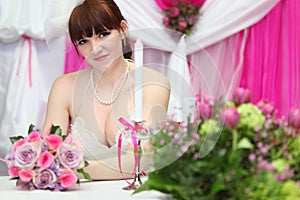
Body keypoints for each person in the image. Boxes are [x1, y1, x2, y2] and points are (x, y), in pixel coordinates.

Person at [42, 0, 170, 180]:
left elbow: (145, 158)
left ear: (123, 29)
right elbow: (47, 156)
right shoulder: (64, 87)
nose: (95, 48)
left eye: (103, 34)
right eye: (83, 41)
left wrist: (76, 170)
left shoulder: (153, 84)